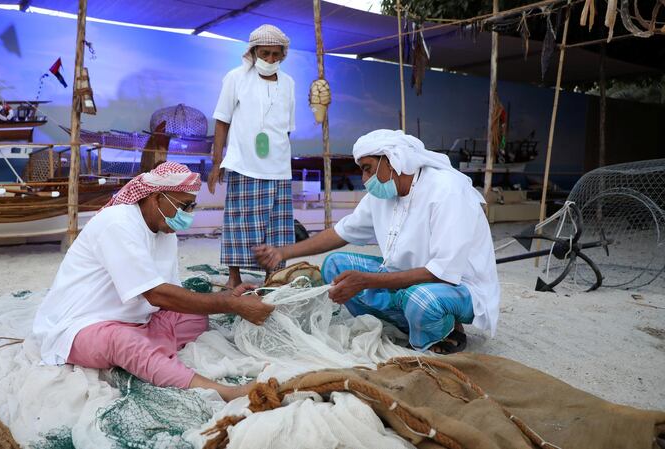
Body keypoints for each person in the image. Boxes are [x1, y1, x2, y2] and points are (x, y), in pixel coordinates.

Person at [33, 162, 274, 401]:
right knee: (124, 341)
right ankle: (222, 391)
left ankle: (148, 355)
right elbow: (156, 295)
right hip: (83, 325)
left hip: (138, 320)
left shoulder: (164, 230)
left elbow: (171, 295)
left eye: (192, 207)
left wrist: (228, 299)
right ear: (157, 198)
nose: (188, 215)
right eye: (184, 206)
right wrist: (227, 304)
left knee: (195, 316)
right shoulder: (118, 223)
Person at [254, 130, 500, 354]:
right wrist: (282, 252)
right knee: (335, 266)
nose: (364, 178)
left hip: (457, 287)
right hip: (404, 279)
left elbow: (443, 273)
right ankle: (404, 322)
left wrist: (367, 281)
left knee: (421, 300)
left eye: (368, 168)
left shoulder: (447, 191)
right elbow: (341, 232)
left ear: (392, 160)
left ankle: (446, 330)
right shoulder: (382, 194)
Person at [207, 24, 296, 289]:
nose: (270, 60)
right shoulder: (235, 77)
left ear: (283, 55)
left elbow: (287, 129)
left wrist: (281, 160)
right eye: (265, 53)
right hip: (243, 164)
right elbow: (222, 121)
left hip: (279, 167)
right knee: (239, 221)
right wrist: (216, 163)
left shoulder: (289, 83)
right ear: (253, 51)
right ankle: (234, 276)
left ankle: (273, 276)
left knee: (277, 226)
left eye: (275, 55)